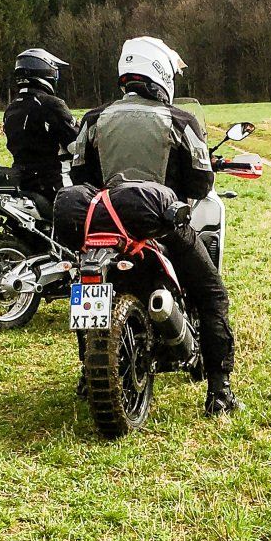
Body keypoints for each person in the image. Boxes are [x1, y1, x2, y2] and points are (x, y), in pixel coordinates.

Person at [56, 36, 238, 417]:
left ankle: (89, 377)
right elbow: (202, 184)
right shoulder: (180, 120)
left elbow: (78, 175)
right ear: (162, 75)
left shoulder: (92, 119)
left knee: (89, 290)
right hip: (163, 228)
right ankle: (220, 391)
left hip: (104, 227)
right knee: (211, 294)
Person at [2, 47, 78, 212]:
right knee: (87, 210)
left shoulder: (12, 107)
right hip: (53, 181)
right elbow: (76, 146)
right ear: (46, 73)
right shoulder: (51, 104)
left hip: (23, 180)